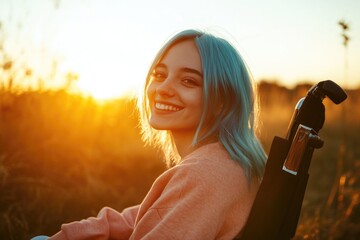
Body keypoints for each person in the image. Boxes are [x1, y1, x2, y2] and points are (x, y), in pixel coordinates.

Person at [33, 29, 267, 240]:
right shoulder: (226, 161)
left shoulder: (203, 174)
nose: (163, 88)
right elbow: (146, 217)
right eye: (159, 74)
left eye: (188, 80)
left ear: (223, 101)